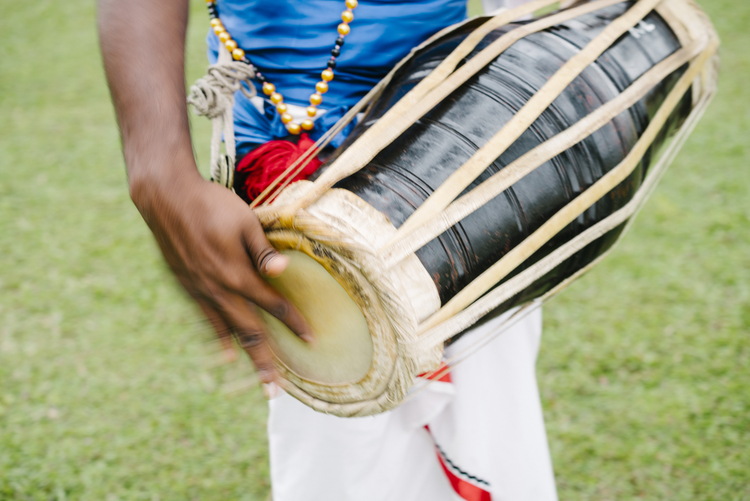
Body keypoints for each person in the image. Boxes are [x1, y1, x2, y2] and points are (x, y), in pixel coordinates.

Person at [98, 0, 557, 499]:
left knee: (490, 411)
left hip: (461, 151)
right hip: (284, 189)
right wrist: (157, 169)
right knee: (338, 435)